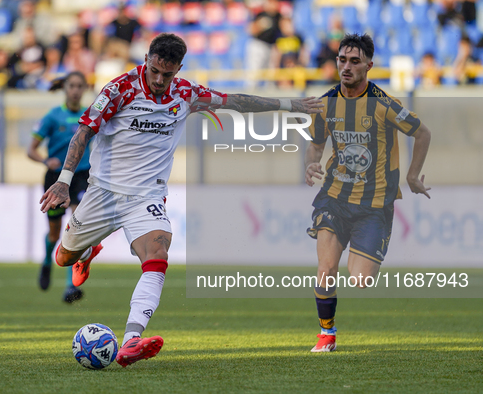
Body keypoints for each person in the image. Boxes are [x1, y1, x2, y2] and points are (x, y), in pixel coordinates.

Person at [39, 33, 323, 367]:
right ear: (146, 59)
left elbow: (237, 102)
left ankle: (131, 339)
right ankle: (86, 251)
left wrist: (291, 105)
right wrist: (63, 181)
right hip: (103, 192)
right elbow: (84, 131)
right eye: (155, 71)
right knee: (63, 257)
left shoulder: (186, 93)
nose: (160, 81)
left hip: (146, 196)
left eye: (168, 74)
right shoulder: (120, 89)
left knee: (158, 254)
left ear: (179, 69)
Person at [304, 33, 432, 352]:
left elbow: (423, 133)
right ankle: (326, 334)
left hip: (375, 204)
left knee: (360, 279)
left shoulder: (385, 105)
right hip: (334, 196)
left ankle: (363, 246)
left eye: (354, 61)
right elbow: (316, 142)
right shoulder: (325, 103)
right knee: (326, 269)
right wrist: (311, 164)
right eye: (342, 60)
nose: (346, 67)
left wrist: (413, 176)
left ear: (369, 66)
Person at [27, 71, 103, 303]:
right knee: (54, 231)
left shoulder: (89, 115)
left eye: (80, 86)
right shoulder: (53, 117)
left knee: (76, 226)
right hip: (55, 178)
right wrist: (44, 160)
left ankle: (71, 285)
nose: (76, 90)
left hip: (81, 177)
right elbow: (31, 149)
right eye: (72, 85)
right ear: (65, 88)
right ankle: (48, 261)